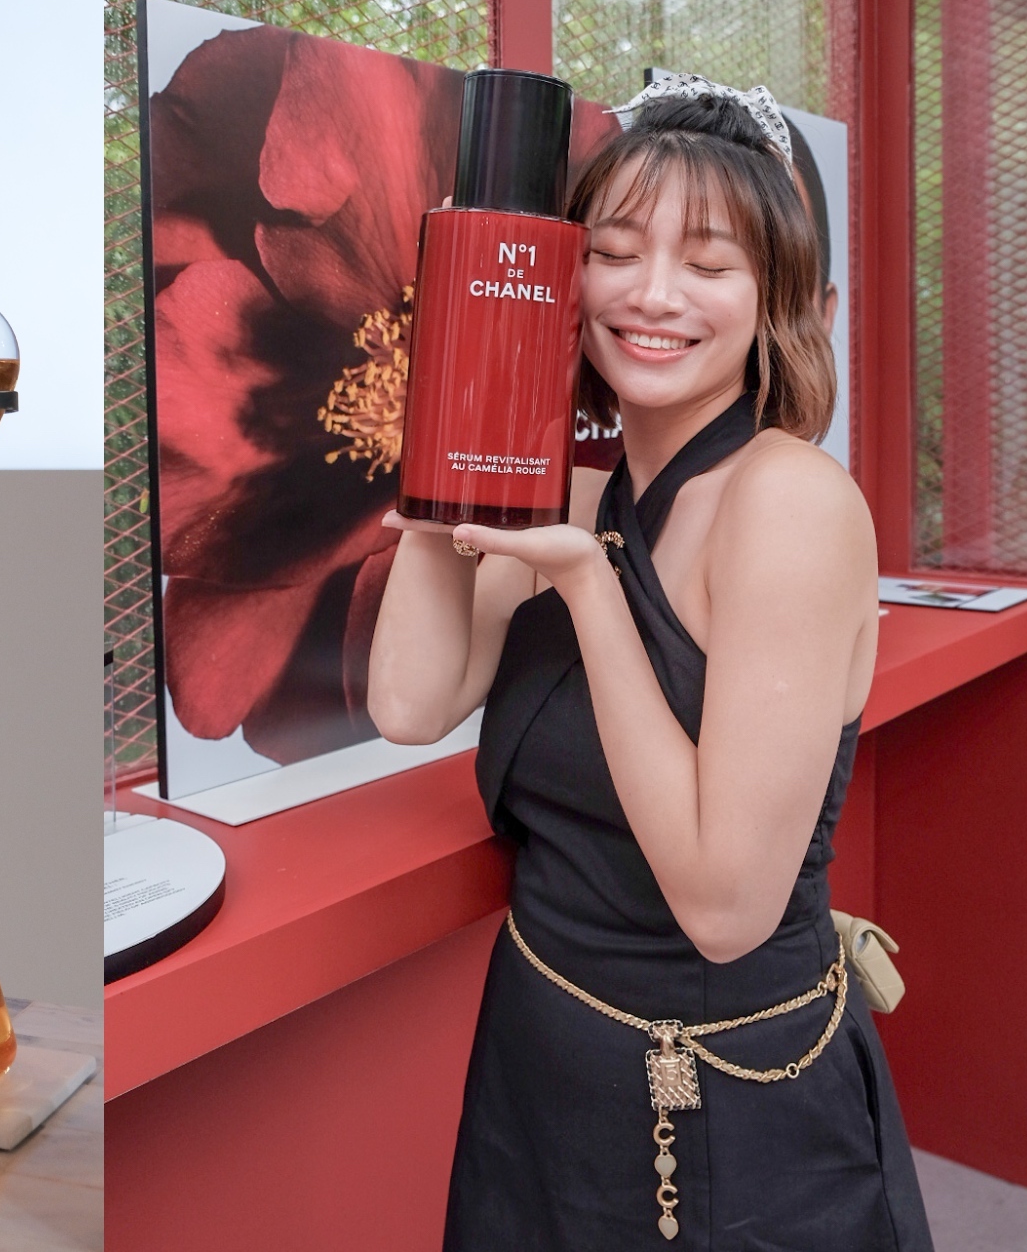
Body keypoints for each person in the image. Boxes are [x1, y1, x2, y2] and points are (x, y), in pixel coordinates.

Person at [368, 78, 933, 1250]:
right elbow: (410, 703)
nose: (653, 294)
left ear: (776, 298)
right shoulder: (576, 493)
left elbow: (726, 907)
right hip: (537, 1068)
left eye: (708, 263)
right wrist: (448, 428)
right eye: (615, 254)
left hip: (728, 1100)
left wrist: (589, 587)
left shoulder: (792, 503)